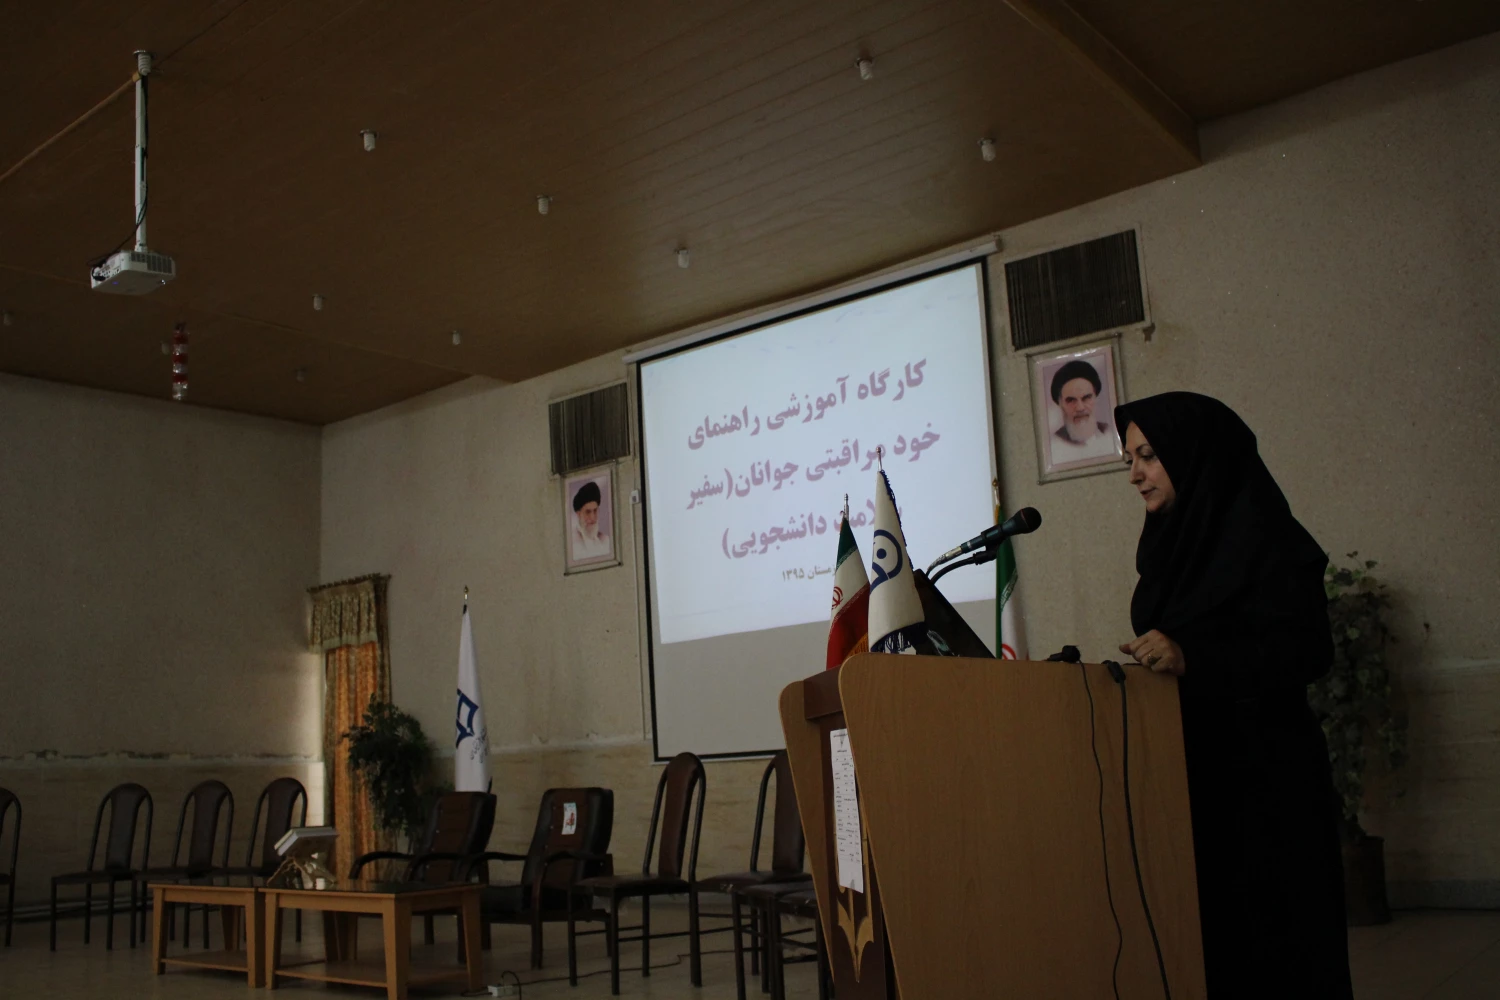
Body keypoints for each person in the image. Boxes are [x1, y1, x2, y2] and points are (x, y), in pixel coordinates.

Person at [1114, 392, 1352, 998]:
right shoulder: (1168, 547)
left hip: (1267, 787)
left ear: (1195, 456)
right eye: (1129, 460)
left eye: (1148, 455)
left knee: (1281, 952)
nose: (1135, 473)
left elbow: (1306, 651)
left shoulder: (1269, 541)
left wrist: (1192, 657)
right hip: (1191, 781)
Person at [1049, 359, 1117, 462]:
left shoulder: (1111, 433)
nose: (1080, 408)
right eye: (1071, 400)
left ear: (1095, 398)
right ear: (1060, 404)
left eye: (1086, 398)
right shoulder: (1054, 445)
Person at [570, 480, 611, 561]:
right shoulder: (572, 543)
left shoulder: (605, 540)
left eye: (595, 511)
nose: (592, 517)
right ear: (579, 514)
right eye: (588, 512)